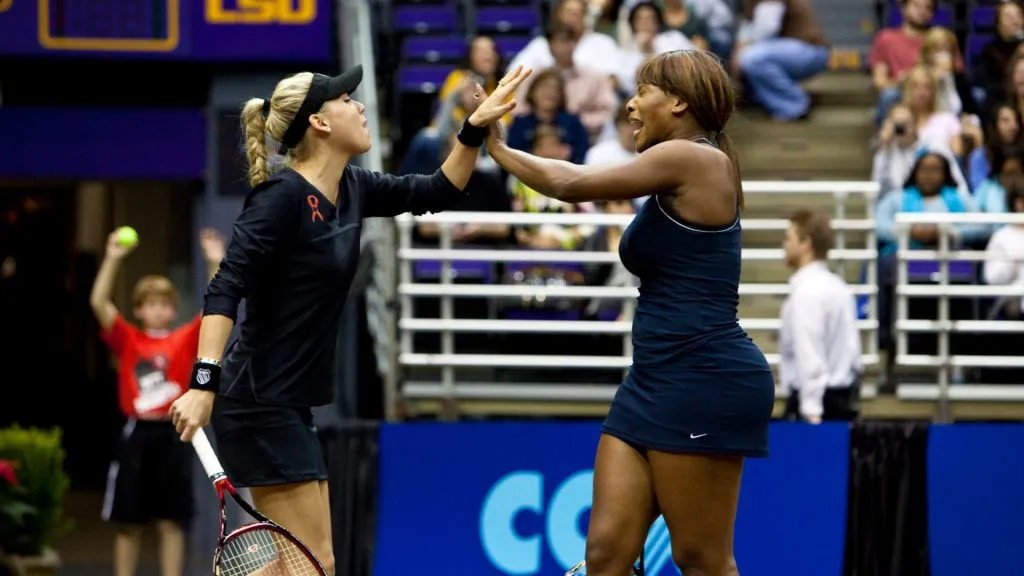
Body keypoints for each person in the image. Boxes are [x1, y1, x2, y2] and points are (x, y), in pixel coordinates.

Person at [168, 64, 532, 575]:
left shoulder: (354, 187)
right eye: (346, 100)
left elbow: (436, 191)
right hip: (256, 401)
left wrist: (471, 129)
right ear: (319, 122)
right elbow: (225, 288)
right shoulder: (280, 199)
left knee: (305, 566)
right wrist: (203, 383)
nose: (360, 107)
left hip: (289, 403)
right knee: (312, 566)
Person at [483, 49, 775, 576]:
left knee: (701, 559)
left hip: (703, 378)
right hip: (651, 380)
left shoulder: (695, 157)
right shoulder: (682, 164)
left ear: (680, 103)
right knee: (606, 557)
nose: (632, 106)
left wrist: (496, 145)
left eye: (644, 93)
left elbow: (570, 184)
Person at [90, 228, 225, 576]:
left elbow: (214, 308)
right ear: (138, 310)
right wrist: (113, 258)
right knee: (129, 523)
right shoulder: (128, 339)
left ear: (173, 309)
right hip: (137, 436)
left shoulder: (183, 339)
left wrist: (214, 261)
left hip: (174, 433)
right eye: (150, 303)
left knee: (171, 521)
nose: (158, 309)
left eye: (165, 303)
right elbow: (98, 303)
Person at [779, 209, 862, 423]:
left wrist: (811, 411)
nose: (784, 245)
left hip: (816, 408)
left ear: (806, 242)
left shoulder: (807, 293)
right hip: (841, 401)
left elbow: (810, 356)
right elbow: (853, 356)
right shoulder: (839, 288)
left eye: (788, 238)